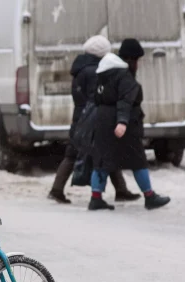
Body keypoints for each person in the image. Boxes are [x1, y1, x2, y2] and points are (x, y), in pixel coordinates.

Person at [48, 35, 139, 204]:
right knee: (104, 151)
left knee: (79, 152)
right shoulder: (95, 71)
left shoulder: (80, 68)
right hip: (91, 119)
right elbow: (98, 96)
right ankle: (58, 190)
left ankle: (57, 189)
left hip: (80, 116)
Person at [88, 39, 171, 211]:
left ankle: (96, 198)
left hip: (102, 121)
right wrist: (122, 122)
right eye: (137, 60)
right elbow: (125, 101)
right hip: (122, 125)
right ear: (130, 59)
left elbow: (96, 98)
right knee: (138, 160)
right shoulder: (124, 76)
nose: (138, 65)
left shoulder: (103, 74)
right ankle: (149, 197)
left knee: (102, 159)